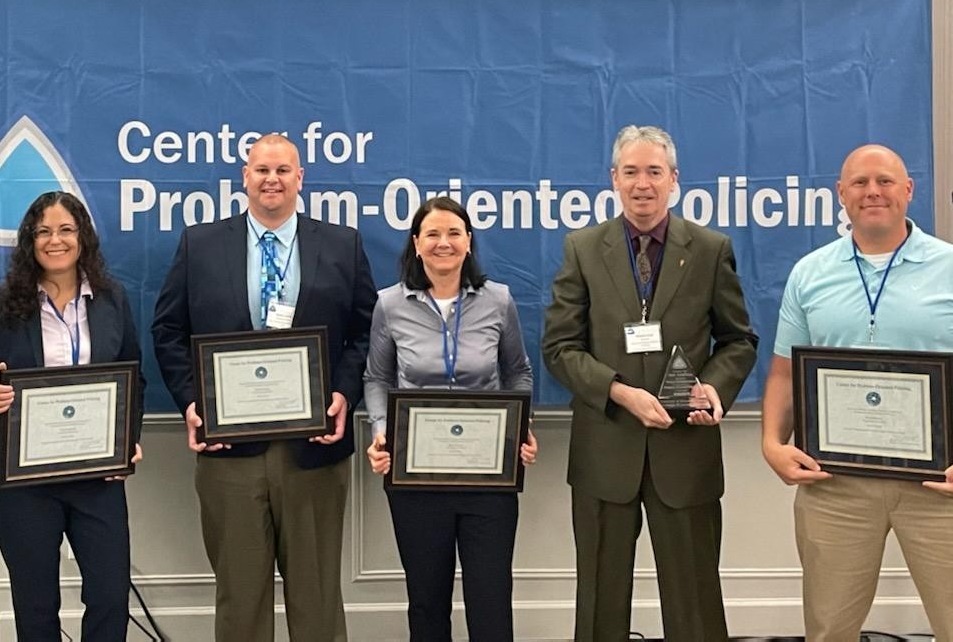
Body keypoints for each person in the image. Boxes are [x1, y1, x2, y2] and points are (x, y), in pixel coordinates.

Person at [761, 143, 953, 641]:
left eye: (885, 181)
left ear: (909, 190)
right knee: (829, 628)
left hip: (944, 481)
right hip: (834, 484)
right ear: (840, 195)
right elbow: (784, 373)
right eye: (859, 182)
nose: (872, 191)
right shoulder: (809, 274)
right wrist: (771, 443)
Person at [152, 133, 377, 642]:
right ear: (243, 178)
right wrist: (192, 403)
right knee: (240, 599)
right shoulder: (200, 244)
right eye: (261, 170)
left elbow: (366, 331)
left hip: (314, 450)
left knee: (317, 599)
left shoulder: (342, 244)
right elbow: (167, 331)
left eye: (282, 170)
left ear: (301, 178)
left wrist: (343, 393)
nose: (271, 179)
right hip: (230, 450)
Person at [542, 124, 757, 642]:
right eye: (632, 172)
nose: (643, 184)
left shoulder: (709, 249)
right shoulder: (583, 249)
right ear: (614, 179)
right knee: (598, 602)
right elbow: (559, 349)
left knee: (696, 604)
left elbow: (738, 342)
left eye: (654, 172)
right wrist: (619, 391)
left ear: (674, 180)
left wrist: (713, 389)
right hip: (605, 449)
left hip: (684, 450)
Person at [0, 191, 145, 641]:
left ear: (82, 237)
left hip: (96, 474)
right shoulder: (2, 302)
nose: (55, 240)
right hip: (24, 479)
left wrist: (126, 440)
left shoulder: (110, 298)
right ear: (29, 241)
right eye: (43, 232)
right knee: (36, 602)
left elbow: (133, 377)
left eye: (65, 229)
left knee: (109, 595)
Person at [364, 196, 537, 642]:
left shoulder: (498, 300)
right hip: (416, 479)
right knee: (426, 600)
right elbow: (377, 376)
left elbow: (518, 371)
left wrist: (521, 429)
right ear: (416, 245)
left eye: (454, 233)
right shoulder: (389, 304)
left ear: (469, 242)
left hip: (488, 480)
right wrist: (382, 433)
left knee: (491, 598)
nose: (444, 243)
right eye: (433, 234)